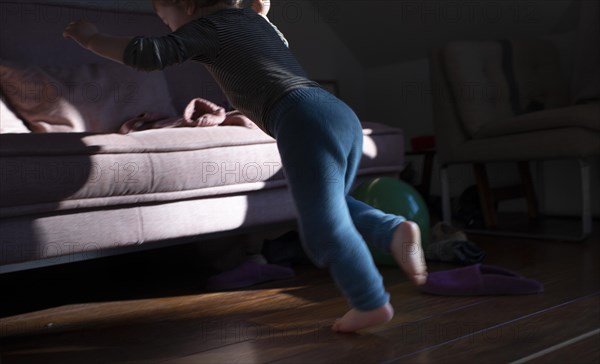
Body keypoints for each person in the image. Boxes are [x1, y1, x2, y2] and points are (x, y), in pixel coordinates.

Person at [63, 0, 428, 333]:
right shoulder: (248, 21)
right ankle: (392, 230)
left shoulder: (206, 27)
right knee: (332, 204)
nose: (168, 25)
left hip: (300, 118)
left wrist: (92, 39)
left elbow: (149, 54)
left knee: (322, 227)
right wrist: (260, 13)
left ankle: (370, 301)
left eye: (165, 16)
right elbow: (275, 43)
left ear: (187, 6)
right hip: (334, 111)